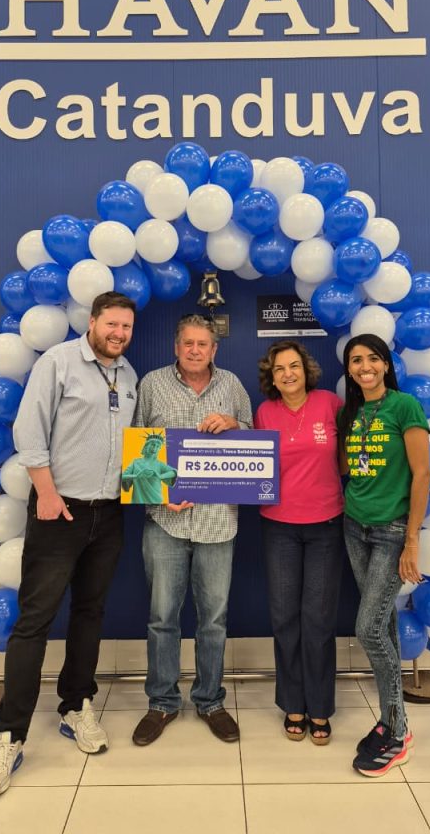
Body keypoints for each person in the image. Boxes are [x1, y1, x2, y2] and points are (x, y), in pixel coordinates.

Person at [0, 292, 138, 797]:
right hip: (58, 509)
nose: (119, 333)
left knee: (90, 613)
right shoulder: (58, 361)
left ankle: (75, 705)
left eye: (126, 327)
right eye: (112, 324)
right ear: (92, 322)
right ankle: (9, 735)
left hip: (108, 513)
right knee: (34, 621)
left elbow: (133, 447)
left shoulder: (128, 375)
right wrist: (46, 494)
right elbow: (29, 431)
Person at [132, 313, 252, 747]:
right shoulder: (152, 384)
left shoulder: (232, 385)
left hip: (218, 522)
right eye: (189, 343)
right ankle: (162, 702)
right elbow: (135, 447)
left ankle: (210, 700)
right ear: (176, 346)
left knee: (213, 620)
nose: (196, 350)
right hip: (164, 520)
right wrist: (157, 493)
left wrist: (235, 425)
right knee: (162, 617)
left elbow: (254, 443)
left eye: (203, 344)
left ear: (214, 349)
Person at [338, 333, 430, 777]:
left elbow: (422, 474)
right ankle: (390, 721)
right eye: (356, 360)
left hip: (393, 531)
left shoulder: (404, 406)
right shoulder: (351, 412)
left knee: (368, 629)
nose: (365, 367)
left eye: (372, 358)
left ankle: (397, 731)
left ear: (386, 364)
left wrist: (412, 540)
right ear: (349, 369)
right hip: (354, 526)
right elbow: (348, 469)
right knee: (385, 626)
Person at [254, 340, 344, 745]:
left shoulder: (330, 404)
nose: (287, 374)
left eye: (293, 366)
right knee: (285, 618)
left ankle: (320, 706)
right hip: (278, 527)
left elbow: (350, 455)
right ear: (271, 378)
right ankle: (293, 702)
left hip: (326, 524)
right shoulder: (264, 412)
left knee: (318, 620)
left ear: (306, 370)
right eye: (279, 369)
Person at [121, 432, 177, 504]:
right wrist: (136, 476)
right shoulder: (136, 462)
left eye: (158, 446)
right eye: (153, 444)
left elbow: (174, 472)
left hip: (156, 499)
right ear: (146, 445)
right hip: (138, 499)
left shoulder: (159, 464)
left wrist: (160, 476)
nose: (155, 448)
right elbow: (123, 476)